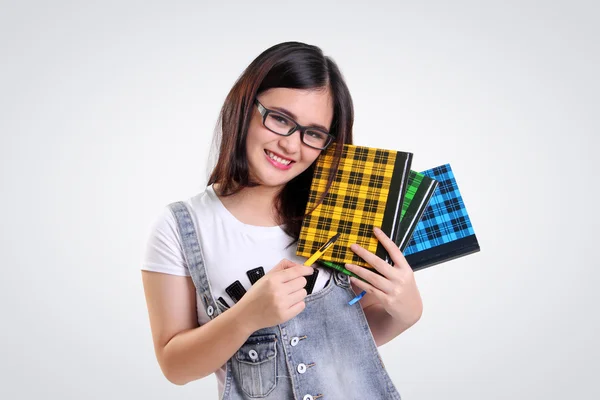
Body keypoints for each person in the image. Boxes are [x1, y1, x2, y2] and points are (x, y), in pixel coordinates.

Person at [141, 41, 423, 399]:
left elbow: (351, 342)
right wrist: (246, 317)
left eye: (314, 133)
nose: (291, 145)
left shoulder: (338, 212)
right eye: (280, 119)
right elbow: (174, 366)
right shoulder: (180, 227)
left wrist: (407, 311)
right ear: (245, 106)